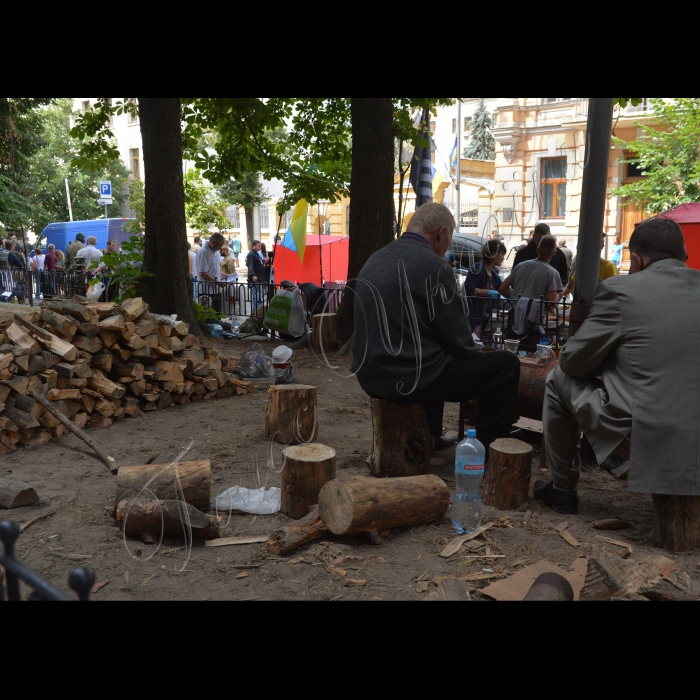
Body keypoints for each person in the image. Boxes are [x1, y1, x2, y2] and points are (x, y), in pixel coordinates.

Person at [536, 218, 700, 515]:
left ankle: (563, 488)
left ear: (636, 260)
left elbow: (573, 361)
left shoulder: (621, 290)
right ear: (684, 254)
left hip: (648, 439)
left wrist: (604, 365)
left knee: (558, 378)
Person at [351, 203, 521, 454]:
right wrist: (476, 351)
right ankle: (486, 452)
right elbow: (460, 340)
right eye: (449, 239)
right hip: (409, 378)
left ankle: (430, 435)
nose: (447, 248)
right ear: (441, 233)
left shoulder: (375, 258)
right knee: (506, 365)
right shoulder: (435, 266)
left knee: (431, 356)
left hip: (369, 375)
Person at [464, 240, 507, 340]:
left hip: (482, 320)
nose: (503, 258)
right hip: (471, 319)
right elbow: (468, 289)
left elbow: (504, 290)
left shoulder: (494, 275)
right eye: (502, 254)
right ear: (493, 253)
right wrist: (488, 292)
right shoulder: (478, 268)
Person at [501, 236, 563, 303]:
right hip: (535, 312)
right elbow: (551, 304)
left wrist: (517, 298)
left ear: (537, 250)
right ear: (555, 253)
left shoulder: (520, 266)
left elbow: (503, 287)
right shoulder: (553, 273)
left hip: (514, 310)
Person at [558, 234, 619, 300]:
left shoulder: (609, 267)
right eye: (601, 242)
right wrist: (558, 295)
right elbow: (569, 287)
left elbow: (614, 292)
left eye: (602, 242)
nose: (603, 245)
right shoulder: (583, 266)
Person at [246, 240, 266, 312]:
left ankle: (258, 309)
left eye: (260, 245)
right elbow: (250, 265)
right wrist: (253, 275)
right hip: (256, 277)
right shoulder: (251, 254)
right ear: (253, 246)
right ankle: (256, 309)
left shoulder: (256, 254)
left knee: (259, 293)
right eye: (258, 245)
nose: (259, 247)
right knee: (257, 293)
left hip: (259, 277)